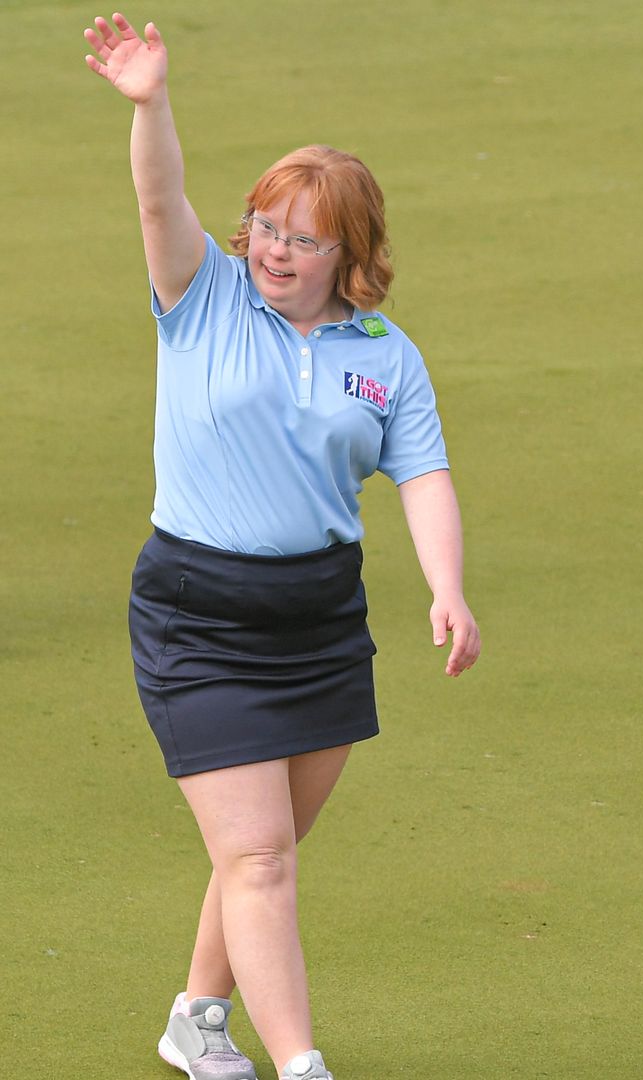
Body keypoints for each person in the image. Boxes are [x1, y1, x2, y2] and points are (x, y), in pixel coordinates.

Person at [83, 13, 482, 1080]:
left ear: (349, 252)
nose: (273, 249)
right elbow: (159, 199)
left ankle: (195, 1020)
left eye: (302, 238)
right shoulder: (199, 295)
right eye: (265, 224)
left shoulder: (385, 355)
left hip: (319, 620)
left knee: (257, 851)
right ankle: (302, 1065)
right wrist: (151, 102)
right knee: (257, 855)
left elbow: (423, 471)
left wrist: (448, 587)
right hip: (196, 612)